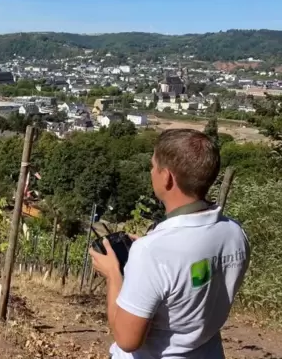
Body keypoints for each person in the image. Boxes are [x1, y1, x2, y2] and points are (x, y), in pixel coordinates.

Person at [90, 129, 250, 359]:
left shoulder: (152, 252)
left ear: (167, 177)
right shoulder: (235, 232)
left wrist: (113, 274)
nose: (151, 172)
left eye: (153, 166)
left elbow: (127, 340)